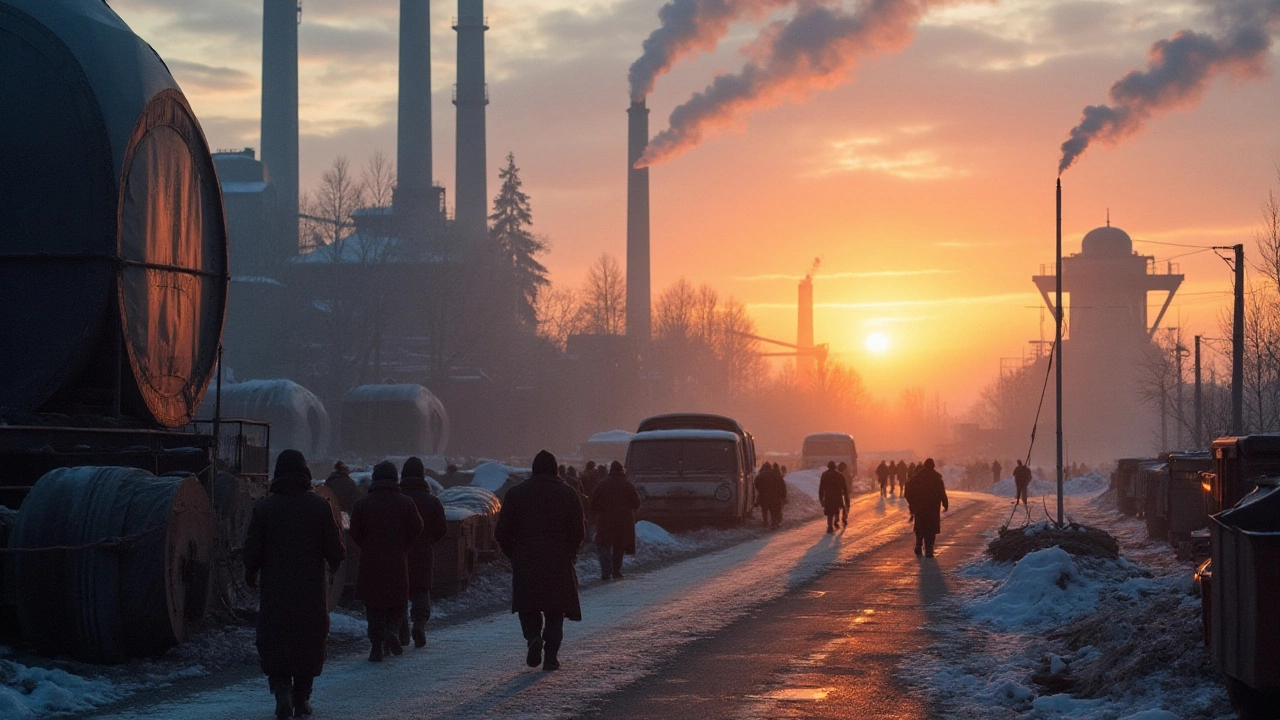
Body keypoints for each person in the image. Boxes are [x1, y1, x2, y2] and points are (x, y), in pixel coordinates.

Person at [243, 449, 345, 719]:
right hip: (310, 593)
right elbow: (336, 552)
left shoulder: (264, 508)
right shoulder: (319, 507)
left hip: (275, 592)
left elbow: (251, 552)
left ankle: (281, 691)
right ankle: (302, 697)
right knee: (308, 641)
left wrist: (250, 573)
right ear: (305, 473)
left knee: (275, 639)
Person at [496, 450, 586, 671]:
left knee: (528, 607)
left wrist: (514, 554)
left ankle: (533, 637)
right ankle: (551, 657)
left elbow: (502, 532)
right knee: (555, 611)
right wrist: (570, 553)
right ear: (556, 470)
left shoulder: (516, 494)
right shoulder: (569, 494)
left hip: (526, 560)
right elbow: (579, 532)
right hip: (559, 562)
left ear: (533, 469)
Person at [349, 461, 423, 662]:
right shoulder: (406, 503)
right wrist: (404, 545)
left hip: (370, 562)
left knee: (373, 606)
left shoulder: (362, 504)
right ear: (394, 478)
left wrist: (367, 545)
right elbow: (417, 527)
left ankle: (376, 646)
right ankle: (391, 630)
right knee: (397, 603)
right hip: (397, 560)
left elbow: (355, 533)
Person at [398, 457, 448, 649]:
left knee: (400, 592)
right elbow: (441, 529)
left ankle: (401, 630)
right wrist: (428, 541)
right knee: (420, 591)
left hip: (399, 555)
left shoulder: (398, 499)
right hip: (423, 554)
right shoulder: (432, 501)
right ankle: (419, 624)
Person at [590, 461, 641, 580]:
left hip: (605, 522)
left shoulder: (602, 485)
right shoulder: (628, 485)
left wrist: (600, 512)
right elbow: (636, 504)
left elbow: (593, 505)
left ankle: (606, 572)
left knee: (604, 545)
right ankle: (616, 571)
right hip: (623, 522)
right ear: (622, 471)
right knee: (619, 546)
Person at [904, 458, 948, 558]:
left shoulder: (916, 478)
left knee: (920, 526)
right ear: (933, 466)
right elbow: (942, 492)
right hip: (933, 507)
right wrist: (945, 504)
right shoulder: (937, 478)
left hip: (920, 507)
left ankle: (918, 545)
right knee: (931, 528)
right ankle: (929, 548)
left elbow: (908, 492)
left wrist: (912, 503)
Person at [818, 461, 849, 534]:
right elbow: (844, 487)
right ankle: (836, 520)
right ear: (835, 467)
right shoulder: (839, 475)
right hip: (837, 495)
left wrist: (821, 498)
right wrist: (846, 496)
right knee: (836, 508)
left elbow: (821, 487)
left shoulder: (824, 475)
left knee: (829, 511)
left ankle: (829, 525)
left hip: (828, 496)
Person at [756, 463, 786, 529]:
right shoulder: (775, 475)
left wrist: (760, 491)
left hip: (763, 495)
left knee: (764, 509)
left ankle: (765, 522)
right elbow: (781, 485)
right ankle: (773, 523)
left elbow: (756, 484)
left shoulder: (760, 475)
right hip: (773, 496)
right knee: (772, 510)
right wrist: (783, 495)